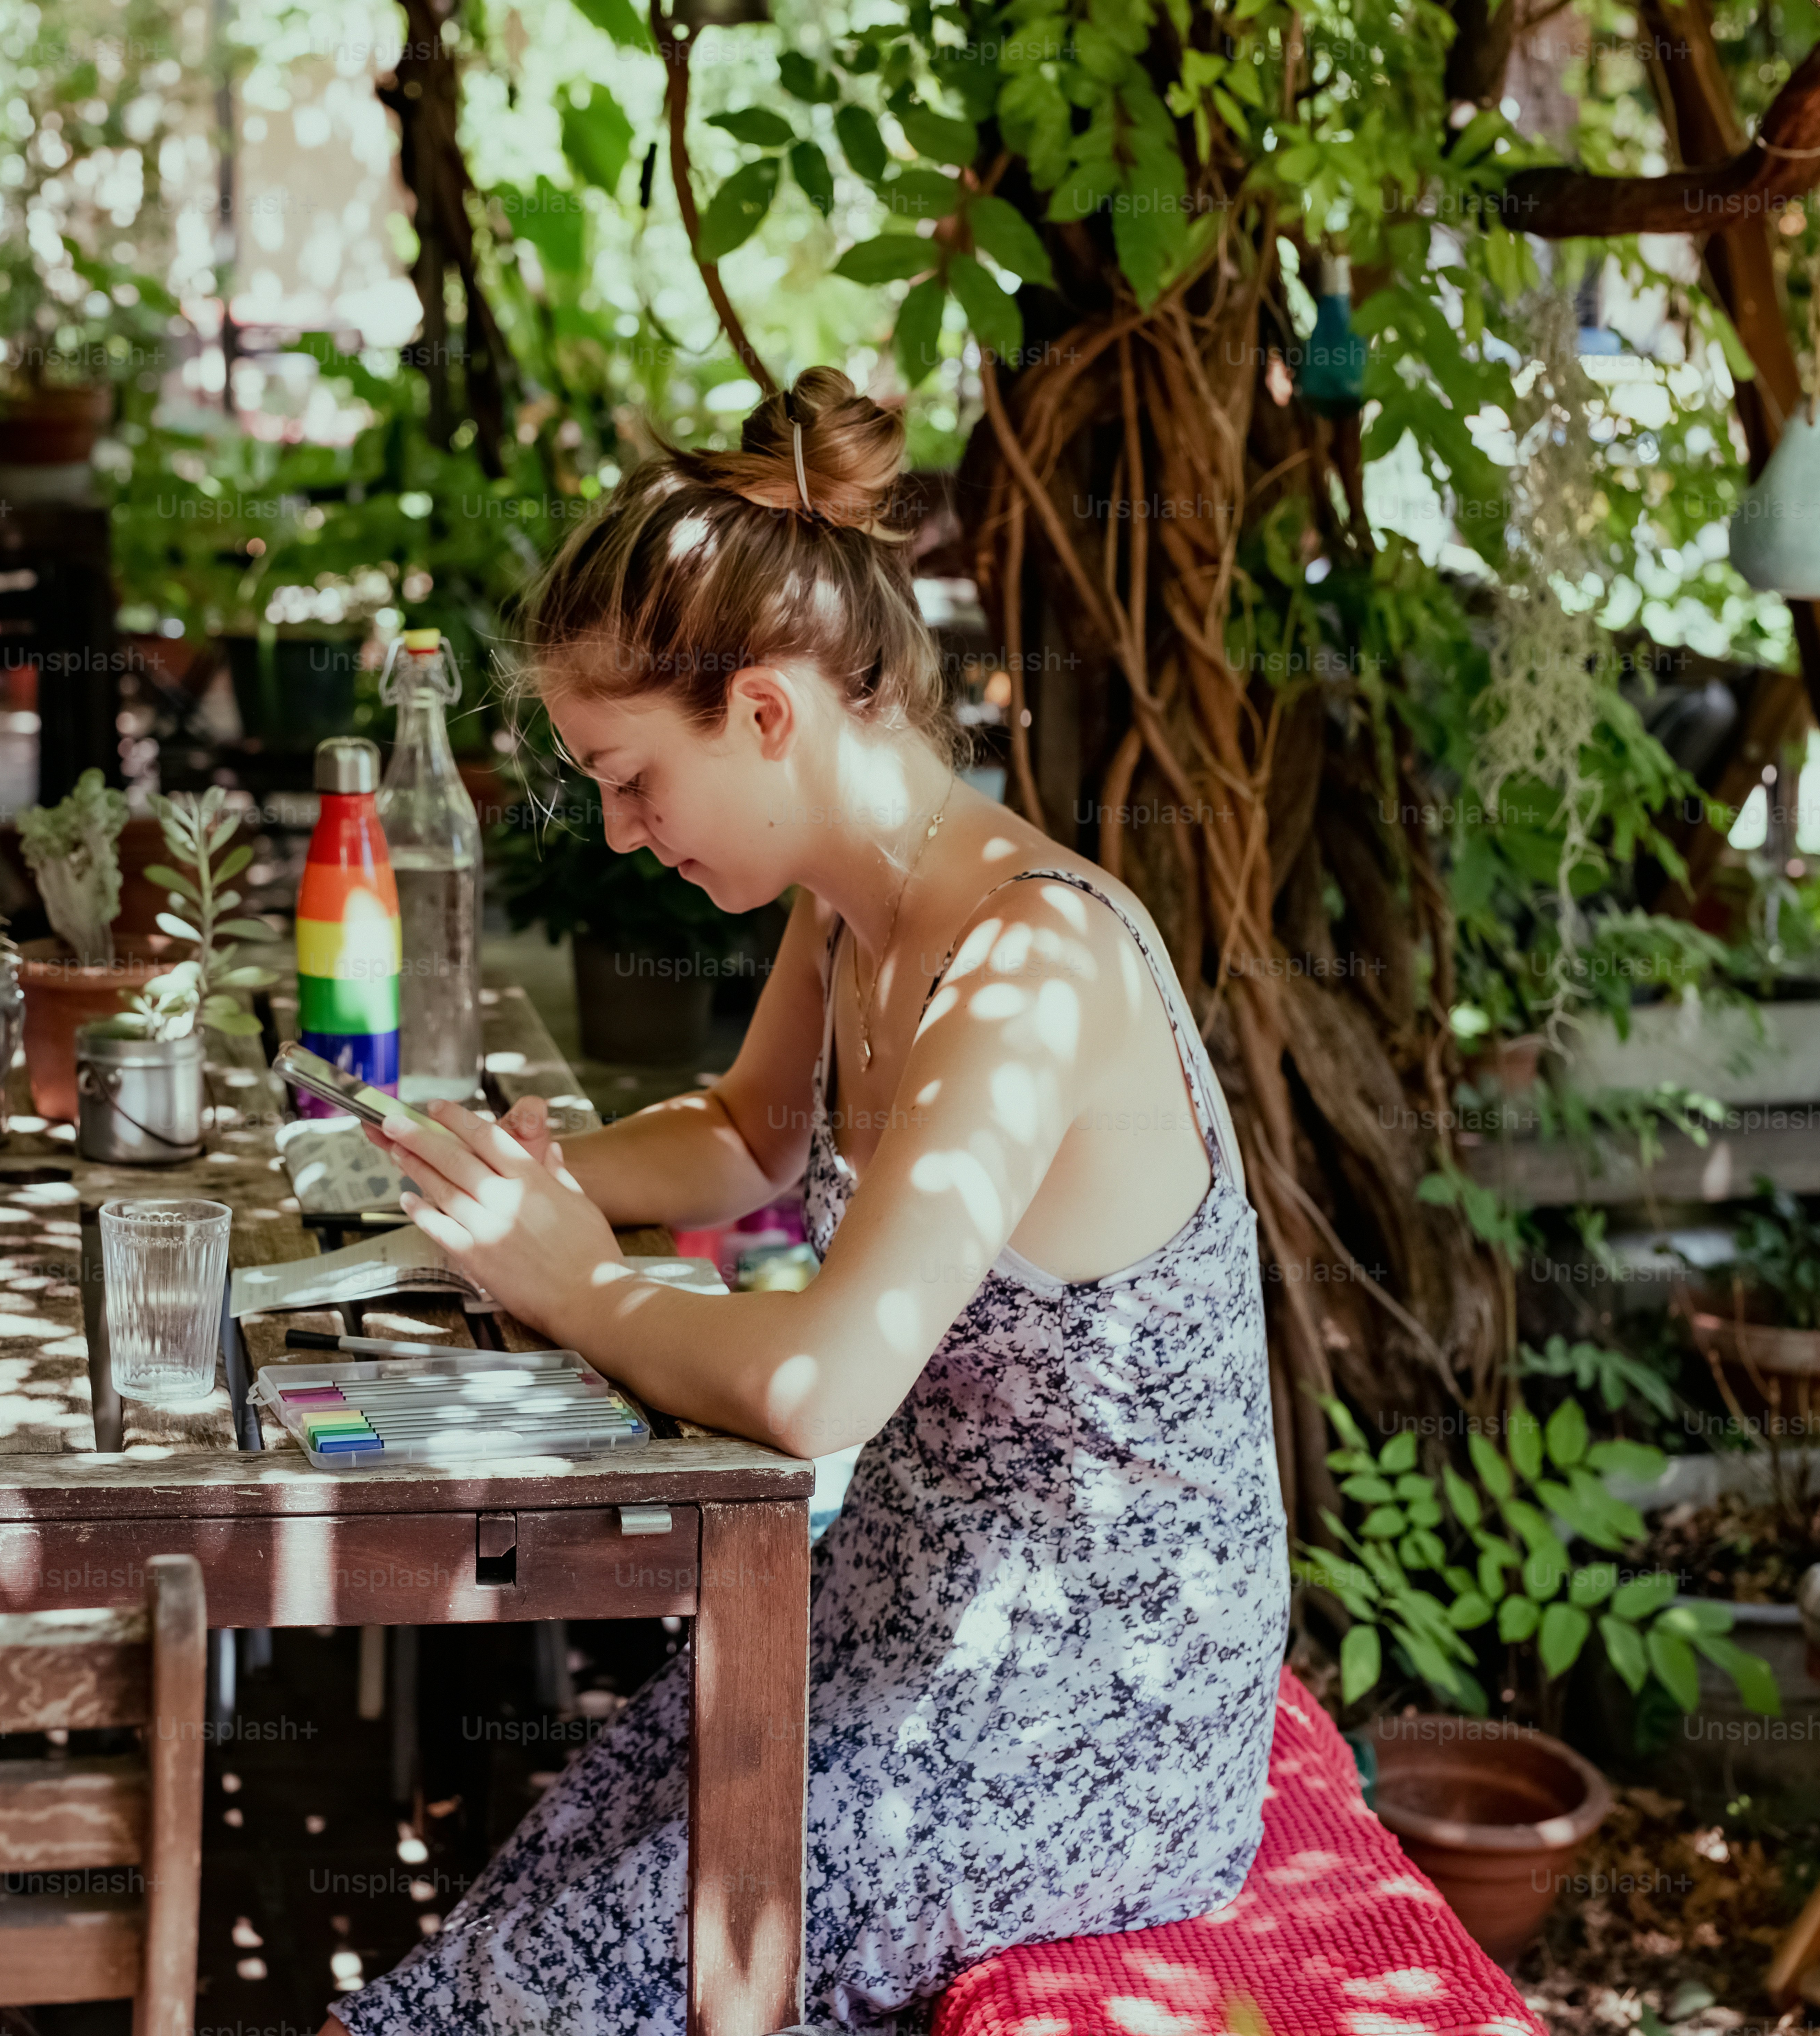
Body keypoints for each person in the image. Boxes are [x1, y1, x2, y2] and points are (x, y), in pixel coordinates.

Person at [331, 368, 1287, 2036]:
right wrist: (487, 1184)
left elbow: (824, 1382)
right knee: (523, 1907)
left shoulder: (1024, 960)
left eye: (633, 778)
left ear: (766, 712)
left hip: (1084, 1714)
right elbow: (748, 1134)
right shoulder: (861, 906)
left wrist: (577, 1291)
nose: (625, 835)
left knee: (491, 1999)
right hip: (897, 1632)